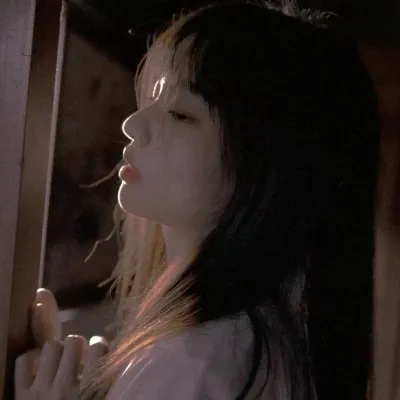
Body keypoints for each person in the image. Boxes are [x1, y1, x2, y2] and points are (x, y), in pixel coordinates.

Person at [14, 1, 380, 399]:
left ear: (267, 164)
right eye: (152, 99)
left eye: (179, 114)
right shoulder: (255, 344)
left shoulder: (195, 364)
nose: (134, 124)